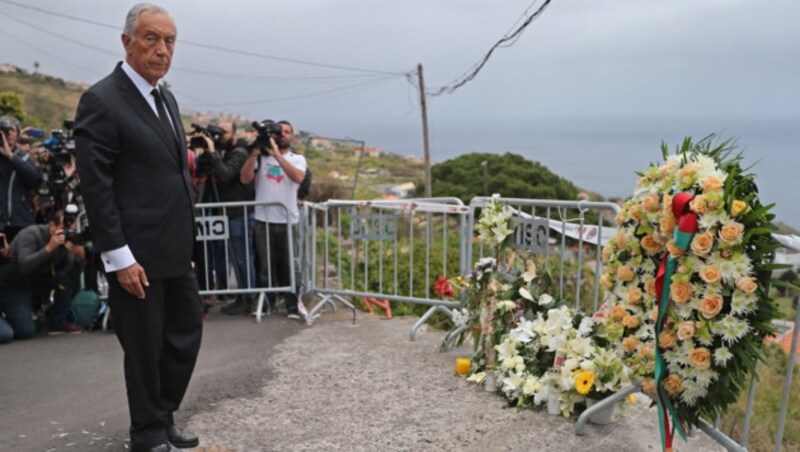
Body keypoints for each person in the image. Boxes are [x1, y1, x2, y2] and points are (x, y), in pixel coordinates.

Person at [74, 4, 202, 452]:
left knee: (184, 337)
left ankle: (162, 416)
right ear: (126, 41)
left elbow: (175, 176)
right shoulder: (101, 101)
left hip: (174, 249)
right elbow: (97, 187)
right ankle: (147, 435)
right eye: (151, 38)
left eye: (169, 41)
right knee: (145, 350)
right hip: (135, 255)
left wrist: (187, 242)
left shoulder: (165, 98)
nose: (161, 49)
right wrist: (119, 256)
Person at [240, 120, 306, 319]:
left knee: (289, 265)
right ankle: (266, 303)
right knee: (265, 266)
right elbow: (245, 179)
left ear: (292, 136)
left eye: (287, 132)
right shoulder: (261, 158)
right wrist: (254, 152)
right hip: (263, 220)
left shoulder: (297, 158)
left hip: (288, 221)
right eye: (280, 131)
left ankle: (292, 305)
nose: (283, 134)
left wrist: (277, 154)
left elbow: (297, 178)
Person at [0, 209, 84, 341]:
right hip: (10, 285)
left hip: (31, 284)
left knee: (26, 331)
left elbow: (70, 275)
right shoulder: (32, 234)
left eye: (71, 229)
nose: (66, 233)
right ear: (52, 226)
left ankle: (57, 321)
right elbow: (24, 266)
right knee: (15, 333)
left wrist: (79, 259)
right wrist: (49, 248)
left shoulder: (65, 242)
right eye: (64, 228)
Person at [205, 121, 256, 316]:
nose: (221, 136)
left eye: (225, 132)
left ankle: (248, 299)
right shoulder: (224, 151)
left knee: (242, 259)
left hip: (238, 213)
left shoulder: (239, 153)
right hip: (227, 212)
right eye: (219, 132)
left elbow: (225, 175)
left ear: (234, 134)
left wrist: (212, 151)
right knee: (234, 259)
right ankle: (241, 297)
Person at [0, 115, 41, 243]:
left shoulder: (23, 158)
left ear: (17, 133)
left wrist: (11, 156)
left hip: (21, 222)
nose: (8, 134)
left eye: (12, 130)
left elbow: (33, 180)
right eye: (4, 130)